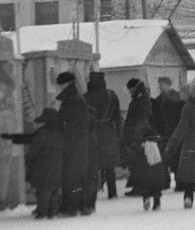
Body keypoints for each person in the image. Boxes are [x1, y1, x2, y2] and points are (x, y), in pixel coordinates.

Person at [55, 71, 91, 216]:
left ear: (65, 84)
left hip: (73, 143)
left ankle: (71, 207)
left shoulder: (73, 100)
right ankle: (82, 205)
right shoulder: (75, 98)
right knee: (77, 175)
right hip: (78, 142)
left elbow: (71, 123)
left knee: (71, 175)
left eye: (59, 85)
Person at [85, 71, 123, 203]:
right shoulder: (111, 96)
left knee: (93, 164)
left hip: (92, 132)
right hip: (108, 131)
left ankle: (93, 194)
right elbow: (117, 117)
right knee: (109, 166)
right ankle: (112, 193)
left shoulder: (85, 97)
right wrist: (118, 133)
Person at [24, 108, 65, 219]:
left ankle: (42, 213)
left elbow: (33, 151)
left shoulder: (42, 134)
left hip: (42, 167)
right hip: (58, 166)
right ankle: (52, 212)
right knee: (54, 190)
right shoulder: (61, 133)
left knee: (44, 191)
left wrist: (29, 162)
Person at [121, 79, 154, 196]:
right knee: (138, 161)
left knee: (138, 161)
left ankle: (140, 187)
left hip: (137, 135)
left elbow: (139, 120)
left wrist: (133, 134)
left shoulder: (140, 101)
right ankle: (139, 186)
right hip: (139, 134)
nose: (129, 92)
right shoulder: (142, 99)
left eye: (130, 89)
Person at [128, 127, 171, 211]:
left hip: (145, 175)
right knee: (157, 190)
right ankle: (157, 203)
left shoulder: (142, 148)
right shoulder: (158, 148)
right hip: (158, 175)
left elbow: (134, 155)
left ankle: (146, 199)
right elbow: (166, 155)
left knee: (145, 188)